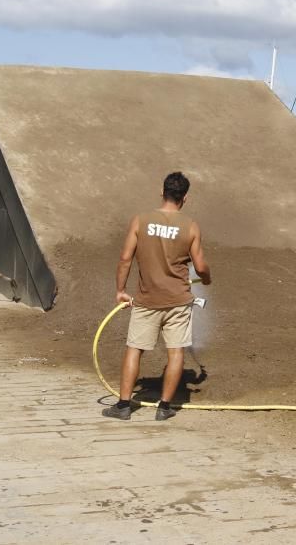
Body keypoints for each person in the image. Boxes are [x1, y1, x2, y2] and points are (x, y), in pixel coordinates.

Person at [103, 171, 211, 422]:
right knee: (176, 352)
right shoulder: (191, 226)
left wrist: (120, 291)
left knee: (134, 349)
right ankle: (164, 407)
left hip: (146, 300)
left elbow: (125, 259)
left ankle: (122, 406)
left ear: (161, 192)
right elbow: (202, 267)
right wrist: (206, 279)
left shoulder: (141, 221)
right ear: (185, 197)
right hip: (178, 301)